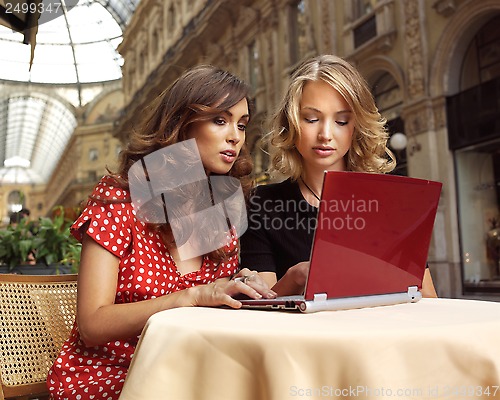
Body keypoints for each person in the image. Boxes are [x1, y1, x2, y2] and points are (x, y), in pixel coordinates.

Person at [47, 65, 276, 400]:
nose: (236, 136)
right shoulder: (118, 199)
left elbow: (214, 312)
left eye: (242, 125)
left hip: (190, 370)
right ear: (181, 124)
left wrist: (237, 290)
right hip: (112, 378)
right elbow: (92, 325)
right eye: (220, 120)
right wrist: (190, 297)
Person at [240, 54, 438, 298]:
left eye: (342, 121)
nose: (326, 134)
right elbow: (261, 310)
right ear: (291, 123)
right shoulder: (262, 204)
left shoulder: (388, 204)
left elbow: (427, 300)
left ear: (356, 127)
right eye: (312, 119)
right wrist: (295, 278)